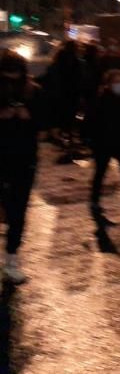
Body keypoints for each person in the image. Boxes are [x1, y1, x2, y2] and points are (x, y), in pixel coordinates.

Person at [0, 51, 43, 284]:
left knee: (18, 210)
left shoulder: (33, 91)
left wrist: (29, 116)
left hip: (24, 159)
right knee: (8, 208)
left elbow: (46, 120)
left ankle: (12, 257)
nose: (11, 82)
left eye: (15, 76)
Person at [88, 69, 120, 225]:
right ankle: (94, 200)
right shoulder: (102, 98)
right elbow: (93, 120)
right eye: (116, 82)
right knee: (100, 172)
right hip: (105, 142)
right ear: (109, 83)